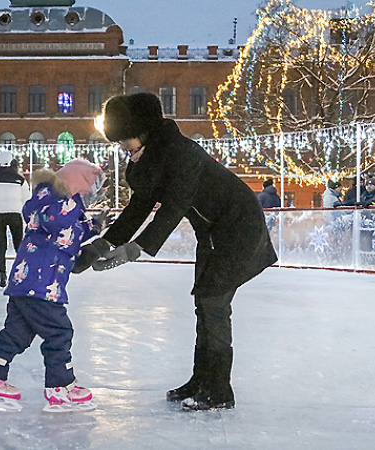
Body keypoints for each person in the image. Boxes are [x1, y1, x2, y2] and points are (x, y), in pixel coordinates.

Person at [76, 92, 277, 412]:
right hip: (213, 233)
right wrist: (100, 245)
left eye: (125, 139)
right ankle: (202, 379)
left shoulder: (182, 154)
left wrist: (136, 249)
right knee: (205, 304)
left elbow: (174, 206)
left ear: (144, 132)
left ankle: (219, 389)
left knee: (213, 303)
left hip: (239, 228)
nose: (122, 147)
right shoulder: (148, 159)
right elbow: (137, 207)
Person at [0, 159, 107, 413]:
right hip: (41, 285)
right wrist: (76, 205)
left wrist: (93, 226)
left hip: (29, 284)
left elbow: (68, 233)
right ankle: (60, 385)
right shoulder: (51, 202)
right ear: (73, 184)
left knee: (16, 334)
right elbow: (52, 220)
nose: (89, 195)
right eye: (87, 188)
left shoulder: (59, 206)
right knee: (59, 332)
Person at [0, 150, 31, 287]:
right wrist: (30, 218)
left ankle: (2, 274)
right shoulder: (20, 180)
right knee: (19, 245)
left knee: (1, 245)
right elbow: (27, 201)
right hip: (15, 214)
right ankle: (21, 273)